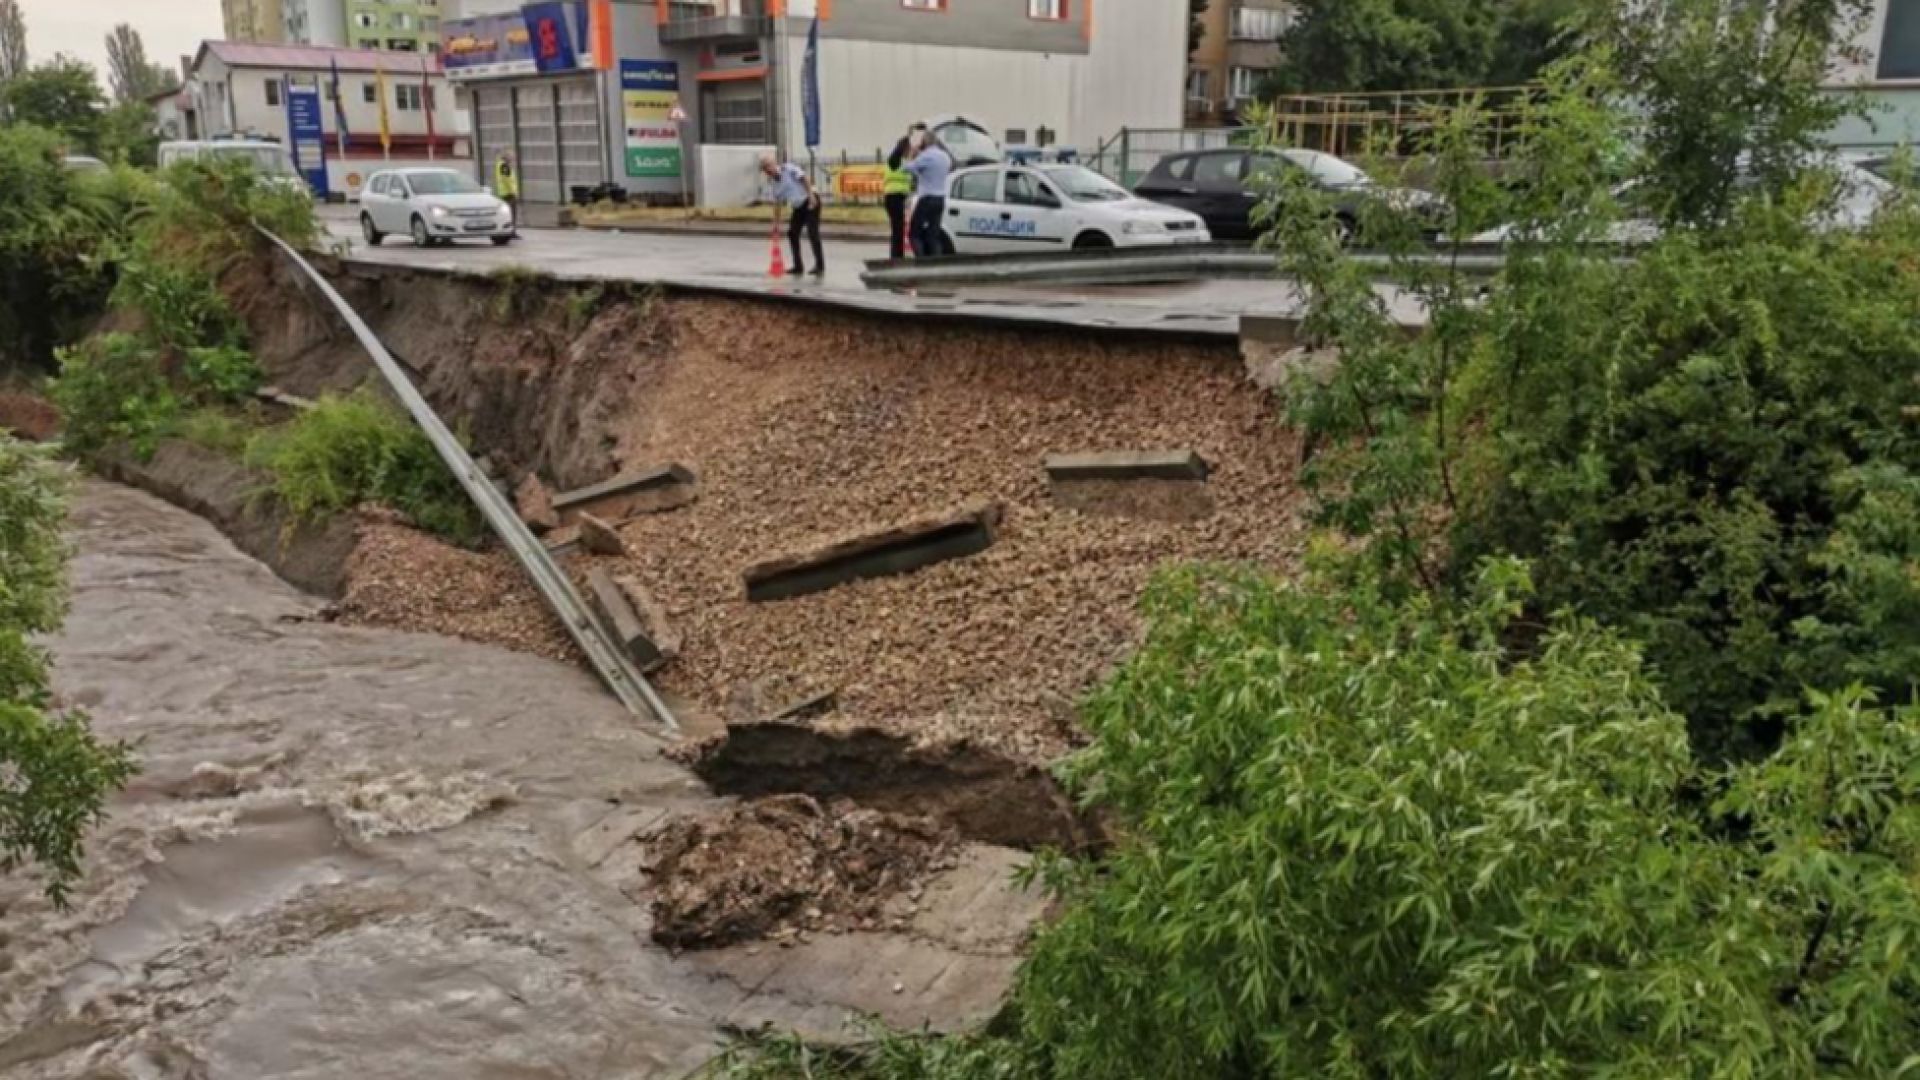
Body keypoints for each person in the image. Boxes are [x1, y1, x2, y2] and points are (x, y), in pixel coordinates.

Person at [760, 152, 824, 277]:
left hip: (809, 199)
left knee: (812, 232)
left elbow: (803, 178)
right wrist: (776, 224)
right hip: (798, 206)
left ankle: (820, 265)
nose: (767, 170)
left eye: (768, 166)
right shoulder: (773, 184)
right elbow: (777, 204)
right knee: (792, 233)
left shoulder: (788, 169)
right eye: (764, 168)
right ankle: (798, 266)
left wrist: (811, 195)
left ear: (774, 164)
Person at [905, 130, 956, 258]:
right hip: (940, 198)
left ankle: (921, 261)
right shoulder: (945, 156)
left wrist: (913, 154)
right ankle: (936, 263)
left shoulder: (926, 156)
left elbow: (908, 168)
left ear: (925, 141)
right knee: (933, 235)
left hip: (927, 198)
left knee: (914, 234)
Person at [883, 136, 914, 260]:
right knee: (898, 230)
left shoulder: (892, 160)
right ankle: (897, 258)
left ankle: (895, 256)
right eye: (909, 149)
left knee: (897, 229)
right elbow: (909, 174)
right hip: (896, 197)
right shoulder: (901, 162)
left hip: (891, 197)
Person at [493, 151, 520, 224]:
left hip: (505, 193)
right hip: (508, 193)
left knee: (508, 213)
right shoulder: (504, 166)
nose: (513, 159)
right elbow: (506, 180)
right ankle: (511, 230)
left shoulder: (501, 165)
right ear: (507, 157)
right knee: (511, 213)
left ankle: (510, 230)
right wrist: (513, 191)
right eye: (512, 157)